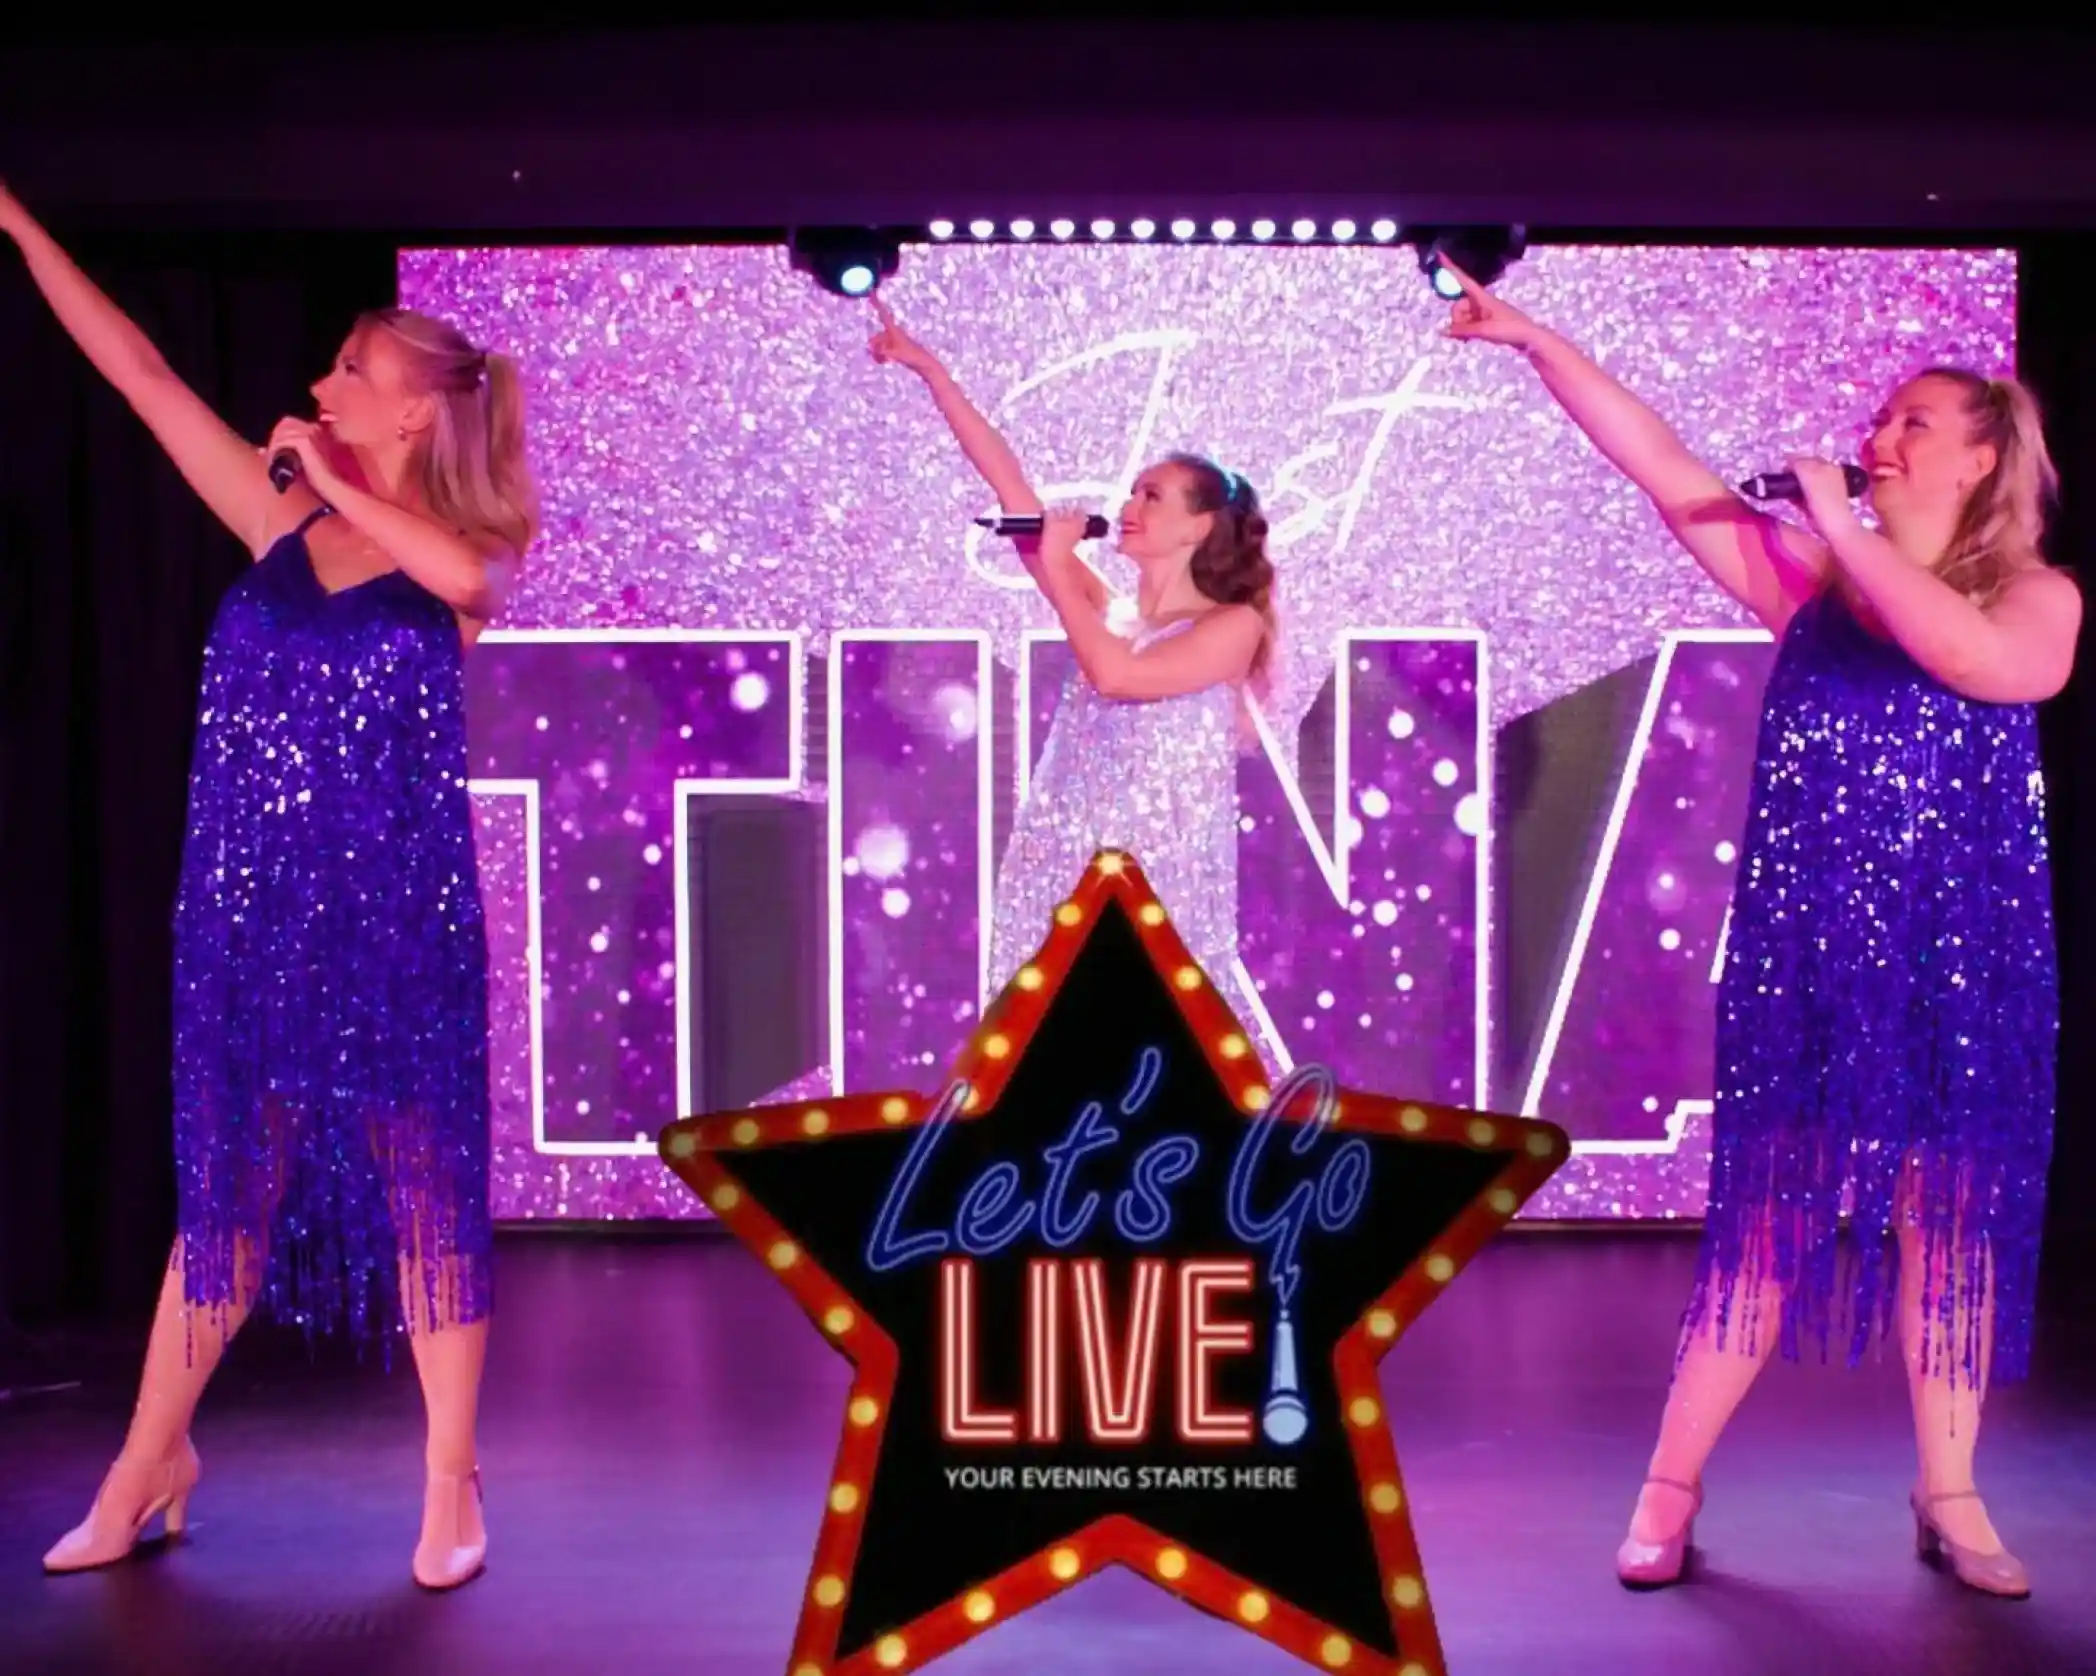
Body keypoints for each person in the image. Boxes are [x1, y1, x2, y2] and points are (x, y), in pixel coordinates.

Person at [1442, 258, 2075, 1597]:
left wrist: (1846, 532)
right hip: (1814, 964)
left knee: (1949, 1224)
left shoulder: (2036, 597)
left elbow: (1977, 663)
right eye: (1881, 415)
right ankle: (1669, 1488)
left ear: (1980, 459)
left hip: (1969, 967)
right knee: (1767, 1224)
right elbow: (1661, 465)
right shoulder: (1813, 585)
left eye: (1914, 421)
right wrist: (1534, 337)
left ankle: (1949, 1493)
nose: (1878, 434)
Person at [4, 182, 534, 1590]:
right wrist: (18, 229)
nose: (317, 384)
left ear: (412, 413)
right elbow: (139, 371)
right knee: (225, 1203)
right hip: (250, 924)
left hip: (399, 926)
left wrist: (337, 478)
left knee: (429, 1193)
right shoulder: (272, 522)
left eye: (349, 371)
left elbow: (466, 575)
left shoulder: (450, 562)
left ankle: (448, 1486)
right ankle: (147, 1466)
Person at [867, 296, 1275, 997]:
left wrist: (1057, 567)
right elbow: (1011, 486)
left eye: (1153, 496)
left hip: (1158, 893)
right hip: (1059, 875)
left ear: (1200, 528)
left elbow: (1117, 677)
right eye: (1133, 492)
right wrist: (931, 371)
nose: (1129, 506)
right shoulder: (1112, 612)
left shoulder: (1232, 626)